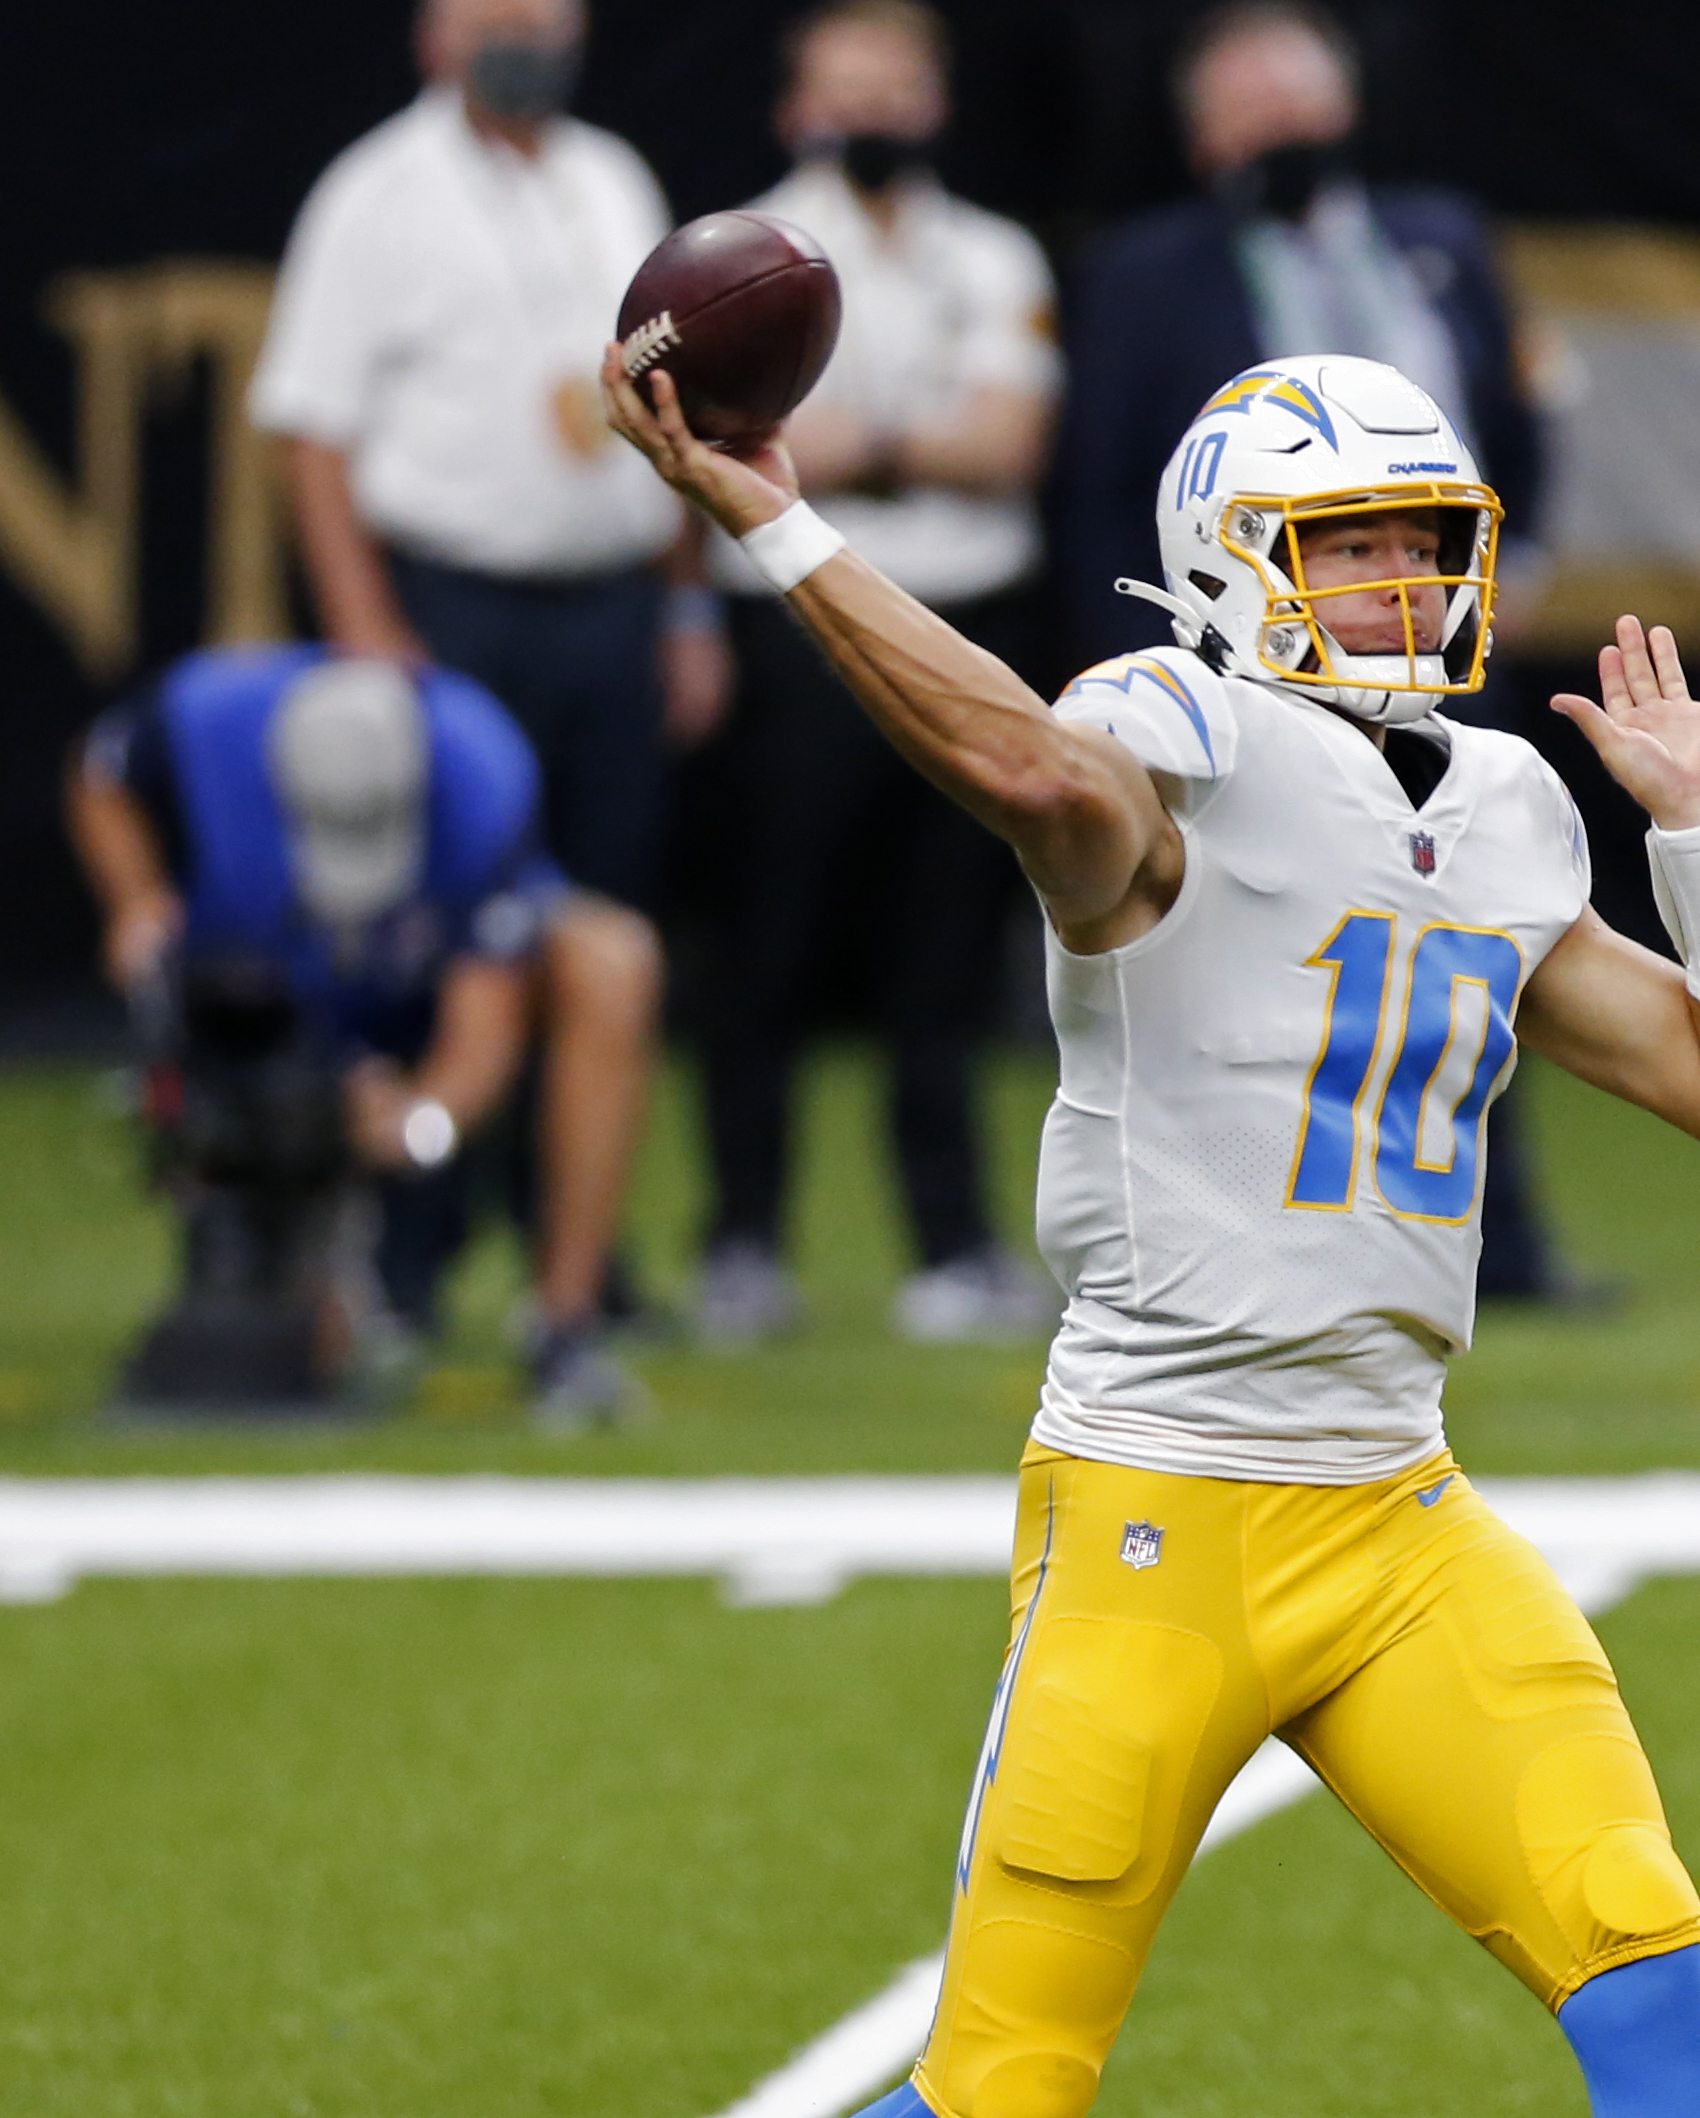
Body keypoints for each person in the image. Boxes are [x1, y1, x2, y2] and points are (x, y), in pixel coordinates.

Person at [602, 335, 1700, 2118]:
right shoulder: (1166, 745)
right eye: (1345, 550)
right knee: (1000, 2102)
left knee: (1643, 1959)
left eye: (1423, 547)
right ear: (1228, 563)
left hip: (1398, 1511)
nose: (1400, 592)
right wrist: (769, 507)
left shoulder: (1506, 802)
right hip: (1157, 1515)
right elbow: (1023, 775)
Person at [1054, 0, 1601, 1309]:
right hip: (1252, 677)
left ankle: (1496, 1240)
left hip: (1436, 650)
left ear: (1346, 110)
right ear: (1199, 139)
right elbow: (1099, 488)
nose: (1280, 134)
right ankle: (1252, 1244)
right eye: (1248, 111)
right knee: (1278, 958)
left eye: (1295, 104)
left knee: (1479, 935)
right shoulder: (1147, 271)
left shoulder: (1439, 240)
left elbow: (1512, 422)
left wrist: (1504, 574)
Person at [250, 0, 720, 1341]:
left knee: (605, 935)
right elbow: (310, 434)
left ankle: (581, 1256)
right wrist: (365, 632)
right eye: (491, 8)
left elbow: (665, 412)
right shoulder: (374, 195)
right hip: (450, 614)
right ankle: (410, 1245)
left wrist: (683, 608)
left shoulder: (610, 175)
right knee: (442, 935)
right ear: (431, 36)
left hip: (610, 604)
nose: (522, 29)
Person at [690, 0, 1063, 1348]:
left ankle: (953, 1249)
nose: (873, 116)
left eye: (896, 89)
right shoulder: (737, 255)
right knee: (764, 946)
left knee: (943, 954)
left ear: (938, 104)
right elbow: (736, 447)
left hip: (960, 622)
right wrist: (917, 438)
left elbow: (1008, 445)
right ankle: (740, 1244)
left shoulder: (992, 253)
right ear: (797, 107)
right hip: (789, 625)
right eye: (848, 91)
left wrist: (866, 438)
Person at [66, 649, 663, 1422]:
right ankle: (274, 1263)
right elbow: (98, 776)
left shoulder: (476, 766)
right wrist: (137, 902)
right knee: (284, 1333)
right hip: (259, 993)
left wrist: (414, 1126)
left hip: (421, 992)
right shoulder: (211, 715)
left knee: (613, 963)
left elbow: (484, 1021)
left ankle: (564, 1328)